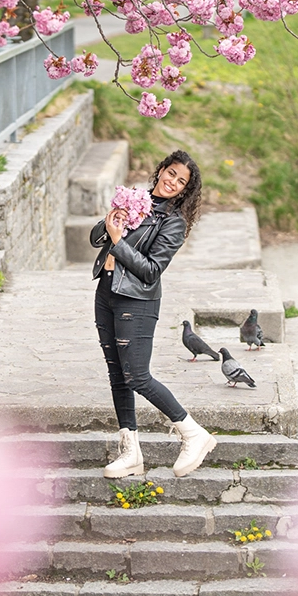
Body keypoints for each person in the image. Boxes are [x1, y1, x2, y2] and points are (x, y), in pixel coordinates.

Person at [90, 149, 216, 479]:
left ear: (186, 189)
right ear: (160, 170)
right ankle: (131, 453)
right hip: (106, 292)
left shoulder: (173, 223)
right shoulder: (136, 199)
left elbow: (151, 270)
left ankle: (193, 433)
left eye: (181, 180)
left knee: (137, 376)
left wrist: (118, 241)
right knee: (117, 375)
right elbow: (95, 238)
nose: (172, 181)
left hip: (138, 302)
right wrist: (112, 220)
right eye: (170, 173)